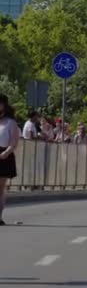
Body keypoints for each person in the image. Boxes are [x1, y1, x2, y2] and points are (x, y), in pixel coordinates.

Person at [0, 94, 20, 226]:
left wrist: (6, 153)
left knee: (0, 188)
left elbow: (14, 142)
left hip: (3, 155)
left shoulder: (10, 122)